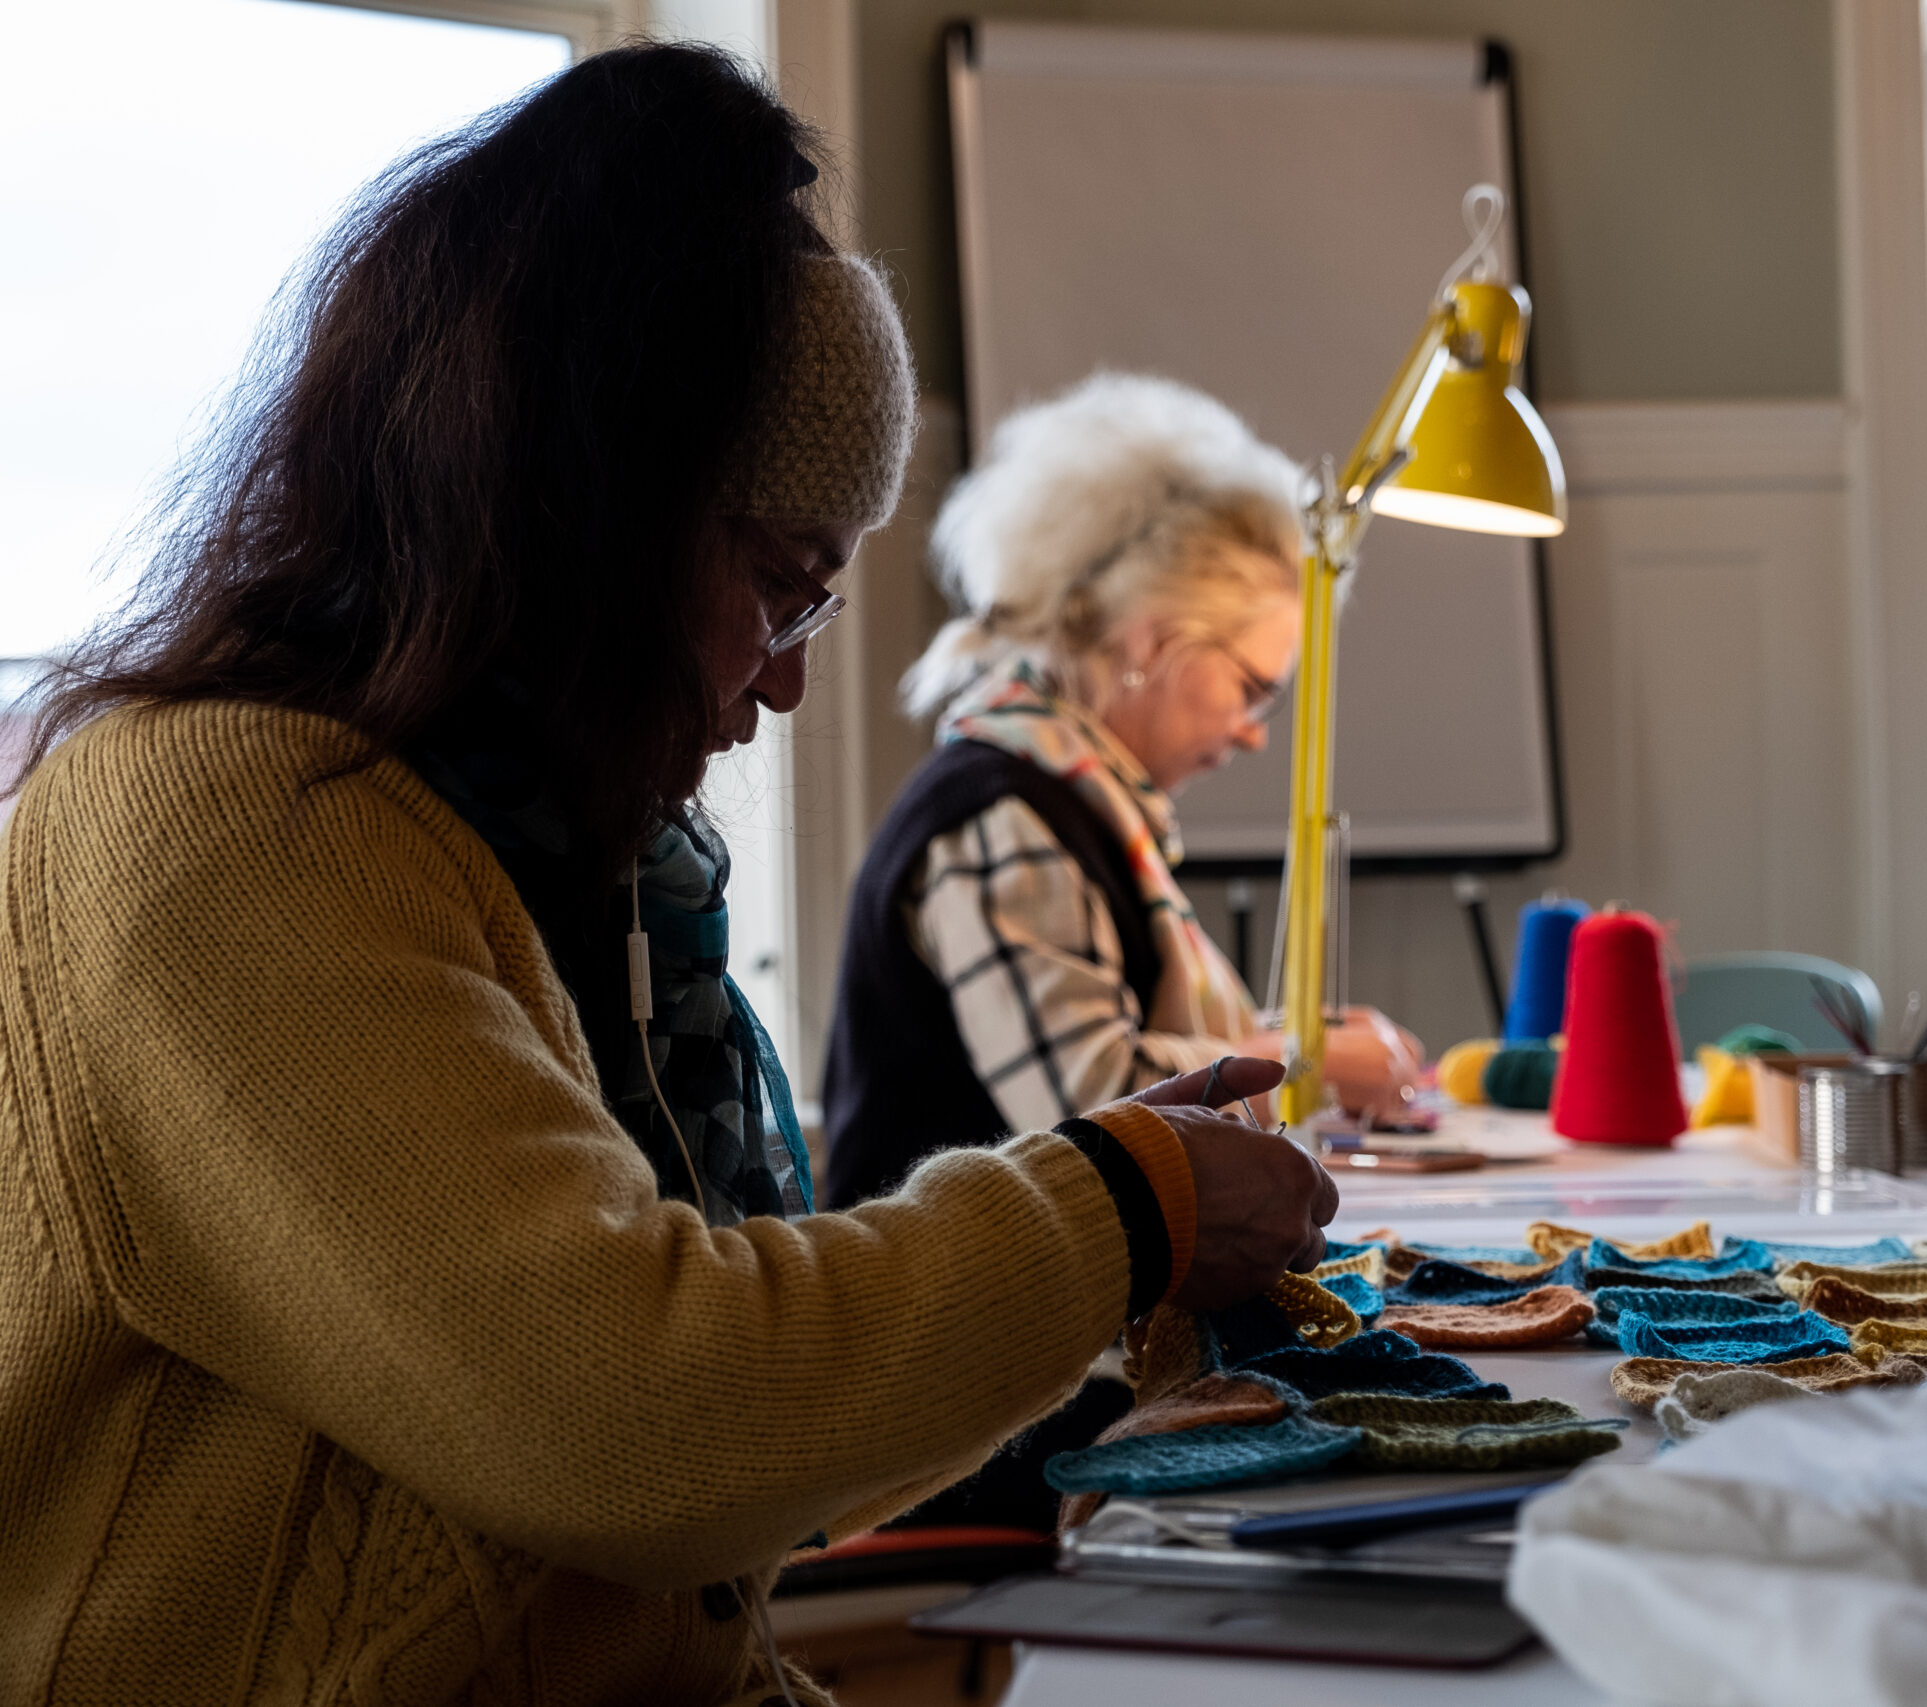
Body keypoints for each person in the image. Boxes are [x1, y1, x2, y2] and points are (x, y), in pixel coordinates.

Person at [0, 45, 1330, 1706]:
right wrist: (1129, 1205)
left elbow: (710, 1516)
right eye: (781, 585)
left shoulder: (541, 852)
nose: (781, 682)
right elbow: (645, 1420)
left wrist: (1126, 1239)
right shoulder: (220, 829)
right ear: (588, 514)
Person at [822, 373, 1425, 1211]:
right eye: (1253, 687)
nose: (1255, 730)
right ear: (1151, 639)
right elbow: (1095, 1116)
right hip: (958, 1322)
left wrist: (1290, 1047)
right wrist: (1300, 1064)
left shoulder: (1074, 801)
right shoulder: (1003, 818)